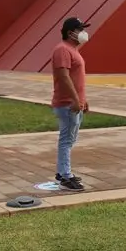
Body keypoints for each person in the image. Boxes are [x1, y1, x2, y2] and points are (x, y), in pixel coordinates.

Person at [50, 17, 90, 190]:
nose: (83, 33)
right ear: (70, 32)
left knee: (70, 139)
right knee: (66, 140)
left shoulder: (72, 50)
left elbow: (76, 77)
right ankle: (65, 177)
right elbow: (64, 77)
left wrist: (82, 99)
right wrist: (75, 99)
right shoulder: (62, 50)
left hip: (74, 102)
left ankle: (62, 171)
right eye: (80, 29)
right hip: (67, 103)